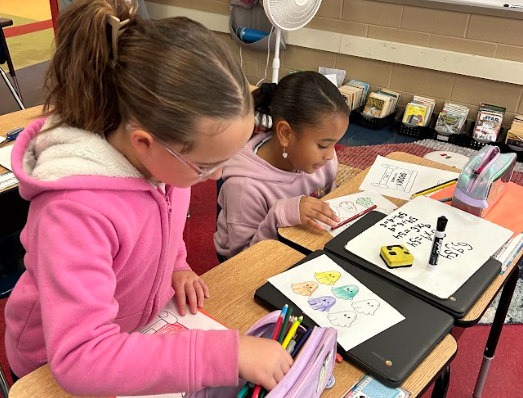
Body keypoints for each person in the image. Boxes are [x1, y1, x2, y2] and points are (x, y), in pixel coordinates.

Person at [5, 0, 292, 395]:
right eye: (206, 166)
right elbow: (80, 358)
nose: (220, 175)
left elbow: (163, 223)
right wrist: (220, 356)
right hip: (48, 370)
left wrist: (176, 265)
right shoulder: (73, 212)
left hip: (132, 332)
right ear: (145, 143)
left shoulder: (165, 164)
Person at [215, 71, 350, 260]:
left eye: (334, 143)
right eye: (322, 145)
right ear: (286, 134)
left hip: (300, 240)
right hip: (248, 257)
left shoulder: (322, 161)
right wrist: (280, 214)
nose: (330, 154)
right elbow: (243, 260)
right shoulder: (244, 187)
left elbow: (327, 199)